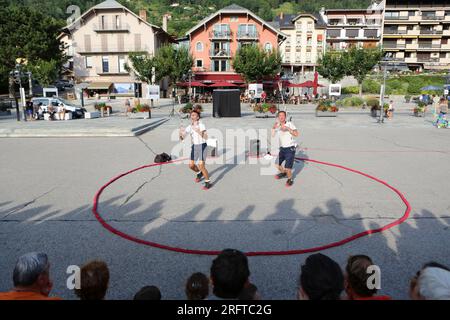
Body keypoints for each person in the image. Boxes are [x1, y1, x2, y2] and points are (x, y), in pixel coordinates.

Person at [179, 108, 211, 190]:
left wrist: (198, 131)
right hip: (195, 147)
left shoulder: (201, 125)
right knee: (191, 165)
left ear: (198, 117)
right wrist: (181, 134)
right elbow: (182, 138)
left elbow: (206, 137)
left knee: (201, 165)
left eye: (194, 115)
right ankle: (199, 173)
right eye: (191, 115)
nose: (192, 116)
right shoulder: (189, 127)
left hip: (202, 146)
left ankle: (207, 182)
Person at [272, 111, 299, 187]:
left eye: (283, 115)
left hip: (290, 148)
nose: (281, 117)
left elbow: (297, 134)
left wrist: (287, 128)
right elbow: (273, 135)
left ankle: (290, 179)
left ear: (285, 116)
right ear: (278, 117)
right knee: (277, 165)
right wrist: (274, 128)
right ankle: (284, 173)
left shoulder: (290, 124)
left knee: (288, 168)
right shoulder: (277, 125)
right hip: (282, 148)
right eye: (280, 115)